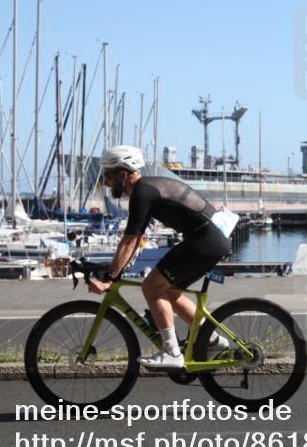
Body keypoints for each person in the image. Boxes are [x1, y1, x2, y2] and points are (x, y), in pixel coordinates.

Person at [87, 145, 232, 369]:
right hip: (207, 239)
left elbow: (130, 240)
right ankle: (212, 341)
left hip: (204, 241)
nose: (105, 182)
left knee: (151, 286)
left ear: (123, 174)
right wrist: (115, 270)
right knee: (170, 291)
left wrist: (109, 278)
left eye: (108, 175)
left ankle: (172, 353)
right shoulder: (147, 188)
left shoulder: (142, 192)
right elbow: (136, 240)